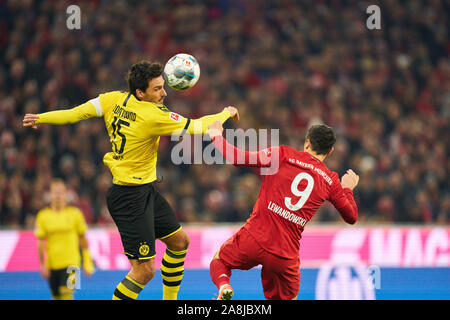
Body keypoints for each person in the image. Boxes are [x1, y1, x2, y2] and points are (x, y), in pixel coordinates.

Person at [23, 60, 239, 300]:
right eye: (157, 89)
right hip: (129, 197)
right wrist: (225, 113)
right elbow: (199, 127)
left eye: (163, 86)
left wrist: (41, 117)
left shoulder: (111, 99)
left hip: (145, 190)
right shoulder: (153, 115)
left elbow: (76, 113)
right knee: (144, 270)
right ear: (140, 92)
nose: (164, 93)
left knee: (179, 242)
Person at [207, 121, 359, 300]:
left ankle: (224, 287)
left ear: (307, 143)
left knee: (220, 260)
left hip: (255, 237)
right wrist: (347, 189)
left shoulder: (282, 154)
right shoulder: (331, 180)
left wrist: (216, 135)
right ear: (330, 151)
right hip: (285, 254)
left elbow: (238, 158)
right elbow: (351, 217)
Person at [34, 179, 95, 300]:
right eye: (55, 192)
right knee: (56, 297)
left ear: (66, 195)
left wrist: (87, 261)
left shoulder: (75, 214)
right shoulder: (43, 216)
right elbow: (40, 242)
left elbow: (83, 239)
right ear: (49, 195)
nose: (58, 196)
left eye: (61, 192)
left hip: (73, 264)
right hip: (52, 265)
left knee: (67, 294)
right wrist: (42, 264)